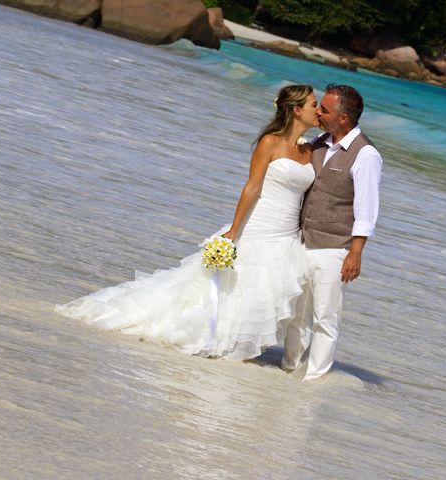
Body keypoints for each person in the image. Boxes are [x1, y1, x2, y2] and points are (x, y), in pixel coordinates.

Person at [56, 84, 319, 361]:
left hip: (287, 234)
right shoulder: (270, 142)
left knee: (262, 293)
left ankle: (242, 344)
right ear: (296, 110)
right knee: (236, 287)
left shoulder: (310, 150)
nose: (318, 111)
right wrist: (233, 229)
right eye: (315, 105)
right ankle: (218, 337)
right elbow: (251, 187)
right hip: (259, 226)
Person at [282, 84, 383, 381]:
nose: (319, 113)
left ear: (343, 118)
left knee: (324, 318)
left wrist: (355, 254)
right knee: (296, 314)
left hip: (335, 247)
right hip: (303, 241)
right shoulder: (319, 142)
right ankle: (288, 369)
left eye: (324, 110)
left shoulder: (366, 155)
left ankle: (314, 380)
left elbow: (367, 211)